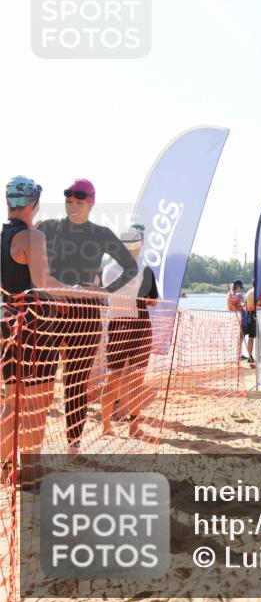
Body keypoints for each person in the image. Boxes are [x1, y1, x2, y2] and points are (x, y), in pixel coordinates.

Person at [37, 178, 137, 449]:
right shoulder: (48, 227)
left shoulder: (101, 233)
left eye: (78, 202)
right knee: (41, 383)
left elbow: (130, 267)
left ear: (91, 202)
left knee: (76, 382)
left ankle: (73, 444)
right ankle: (31, 443)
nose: (73, 206)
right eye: (68, 201)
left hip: (86, 314)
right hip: (50, 311)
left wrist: (105, 290)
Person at [1, 176, 75, 480]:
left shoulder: (4, 237)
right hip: (35, 326)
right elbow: (45, 284)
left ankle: (8, 467)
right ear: (33, 203)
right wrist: (76, 290)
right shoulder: (33, 237)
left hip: (8, 322)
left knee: (11, 400)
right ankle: (29, 471)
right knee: (37, 403)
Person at [100, 223, 159, 439]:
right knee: (134, 379)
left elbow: (108, 294)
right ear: (140, 244)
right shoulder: (145, 270)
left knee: (113, 377)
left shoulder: (108, 269)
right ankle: (133, 426)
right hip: (139, 327)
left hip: (117, 325)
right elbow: (153, 302)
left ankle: (106, 425)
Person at [228, 279, 247, 360]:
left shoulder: (232, 294)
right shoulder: (233, 295)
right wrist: (243, 304)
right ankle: (238, 354)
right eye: (240, 287)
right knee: (239, 336)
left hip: (235, 316)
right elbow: (238, 306)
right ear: (237, 286)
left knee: (240, 336)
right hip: (238, 316)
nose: (240, 289)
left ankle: (239, 353)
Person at [244, 282, 257, 368]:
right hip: (257, 314)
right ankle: (259, 357)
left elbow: (245, 305)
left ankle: (249, 356)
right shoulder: (260, 292)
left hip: (249, 315)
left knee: (251, 337)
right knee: (260, 337)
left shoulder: (248, 293)